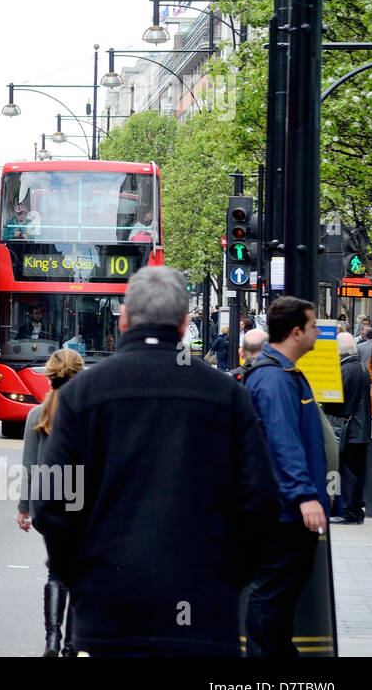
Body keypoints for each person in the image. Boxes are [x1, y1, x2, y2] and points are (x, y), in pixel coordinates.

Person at [32, 266, 279, 656]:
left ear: (125, 318)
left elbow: (51, 507)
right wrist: (227, 579)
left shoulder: (83, 395)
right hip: (203, 609)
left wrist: (83, 580)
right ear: (184, 325)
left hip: (111, 612)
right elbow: (261, 504)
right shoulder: (226, 395)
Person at [243, 296, 330, 657]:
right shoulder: (274, 379)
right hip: (283, 512)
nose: (316, 333)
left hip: (286, 508)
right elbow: (283, 440)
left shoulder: (283, 375)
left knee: (278, 602)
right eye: (312, 327)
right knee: (271, 599)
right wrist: (304, 495)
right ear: (296, 332)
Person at [16, 348, 83, 657]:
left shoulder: (36, 414)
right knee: (79, 575)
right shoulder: (88, 413)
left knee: (56, 572)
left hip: (47, 505)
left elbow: (29, 467)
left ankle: (52, 640)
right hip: (81, 503)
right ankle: (71, 646)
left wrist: (24, 508)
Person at [326, 332, 370, 524]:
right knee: (357, 470)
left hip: (350, 429)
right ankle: (356, 509)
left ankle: (349, 511)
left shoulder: (345, 370)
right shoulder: (360, 368)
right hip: (361, 428)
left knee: (348, 470)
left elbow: (335, 400)